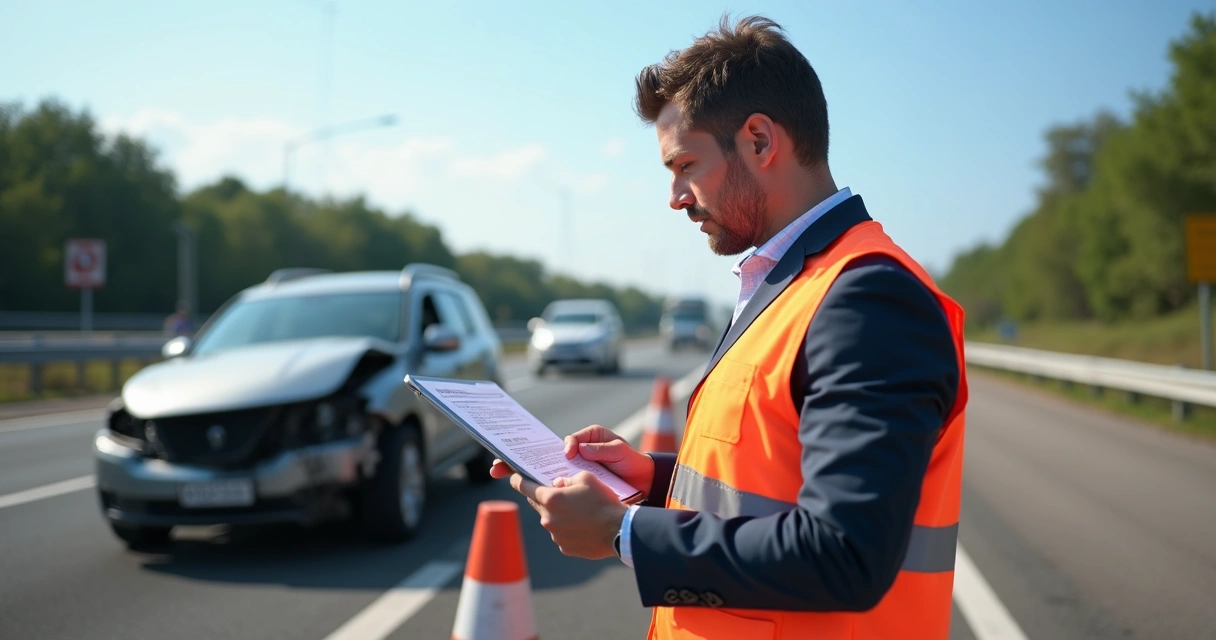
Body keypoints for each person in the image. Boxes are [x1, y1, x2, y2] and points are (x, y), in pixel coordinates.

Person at [491, 14, 968, 640]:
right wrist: (652, 479)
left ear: (760, 142)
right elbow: (772, 477)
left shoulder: (869, 299)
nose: (675, 196)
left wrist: (621, 532)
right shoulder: (793, 281)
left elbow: (844, 554)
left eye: (684, 163)